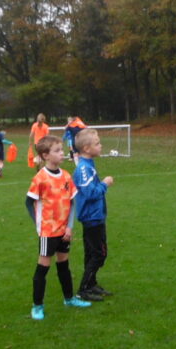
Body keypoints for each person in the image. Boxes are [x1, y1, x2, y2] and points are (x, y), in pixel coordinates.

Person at [26, 135, 92, 319]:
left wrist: (69, 227)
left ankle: (69, 298)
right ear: (46, 155)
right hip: (48, 231)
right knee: (43, 268)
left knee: (64, 265)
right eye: (57, 151)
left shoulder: (66, 176)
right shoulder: (40, 178)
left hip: (64, 230)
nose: (62, 153)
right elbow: (28, 202)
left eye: (61, 150)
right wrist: (38, 224)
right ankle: (37, 306)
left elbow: (72, 203)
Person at [73, 128, 114, 302]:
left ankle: (91, 284)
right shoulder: (84, 169)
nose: (101, 145)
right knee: (98, 254)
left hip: (96, 216)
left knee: (92, 253)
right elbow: (90, 193)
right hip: (92, 218)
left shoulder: (89, 165)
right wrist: (105, 184)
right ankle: (84, 288)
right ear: (87, 148)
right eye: (97, 143)